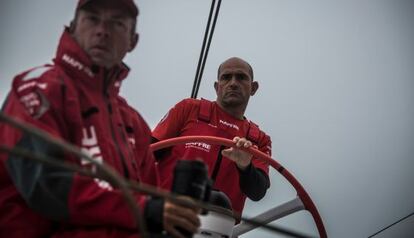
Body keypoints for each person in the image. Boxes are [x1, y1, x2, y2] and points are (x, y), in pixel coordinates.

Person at [0, 0, 199, 237]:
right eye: (92, 19)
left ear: (132, 41)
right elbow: (45, 184)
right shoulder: (39, 88)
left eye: (117, 23)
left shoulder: (133, 123)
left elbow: (150, 202)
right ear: (73, 27)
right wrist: (144, 209)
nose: (103, 30)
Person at [152, 57, 272, 216]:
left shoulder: (259, 140)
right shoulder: (189, 109)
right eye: (226, 77)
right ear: (217, 87)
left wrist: (245, 166)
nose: (233, 83)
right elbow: (147, 154)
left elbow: (257, 192)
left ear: (253, 88)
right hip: (165, 215)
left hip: (217, 227)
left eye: (241, 77)